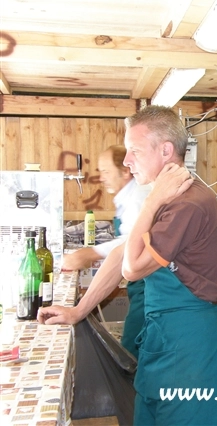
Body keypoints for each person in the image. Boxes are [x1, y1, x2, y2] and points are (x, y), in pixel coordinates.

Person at [120, 105, 217, 425]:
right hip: (164, 339)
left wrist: (151, 201)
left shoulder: (186, 204)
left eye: (135, 150)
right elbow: (122, 254)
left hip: (189, 349)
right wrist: (78, 311)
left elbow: (131, 268)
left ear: (166, 151)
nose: (127, 161)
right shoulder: (169, 199)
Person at [39, 145, 151, 358]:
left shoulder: (138, 197)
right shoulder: (126, 197)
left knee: (130, 350)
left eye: (106, 171)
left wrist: (89, 253)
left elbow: (130, 244)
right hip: (139, 285)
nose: (101, 178)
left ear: (125, 171)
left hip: (148, 286)